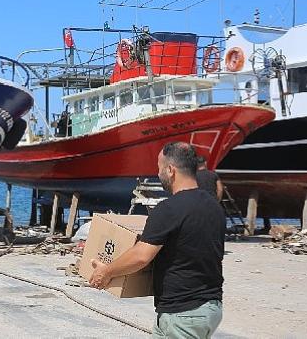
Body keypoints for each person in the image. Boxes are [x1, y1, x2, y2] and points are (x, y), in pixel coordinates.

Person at [89, 142, 225, 338]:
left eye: (159, 167)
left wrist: (106, 272)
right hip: (208, 307)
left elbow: (141, 256)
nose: (158, 173)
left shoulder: (169, 209)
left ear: (170, 170)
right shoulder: (214, 207)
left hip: (182, 313)